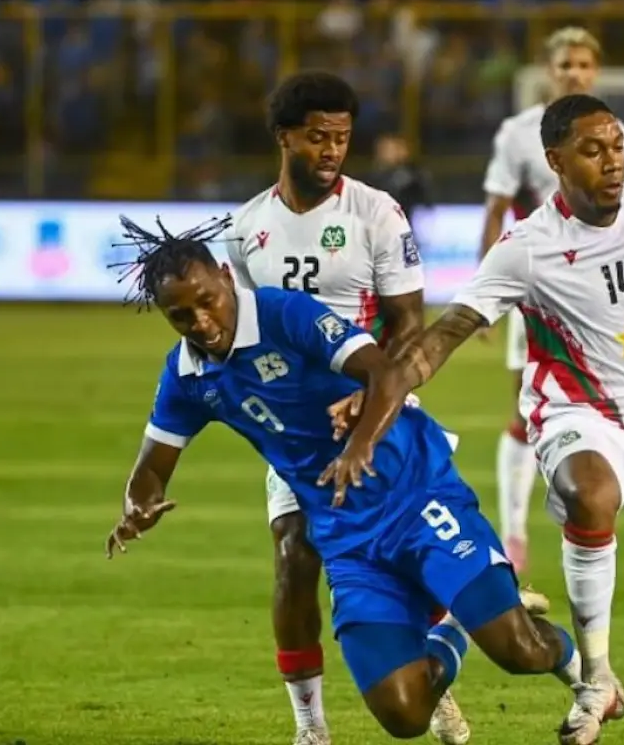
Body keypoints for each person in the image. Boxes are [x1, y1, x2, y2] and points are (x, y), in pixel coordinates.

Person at [334, 94, 624, 745]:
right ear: (556, 162)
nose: (612, 162)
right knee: (591, 494)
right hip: (573, 414)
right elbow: (450, 330)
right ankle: (595, 680)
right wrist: (386, 385)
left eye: (618, 145)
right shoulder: (528, 247)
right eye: (593, 151)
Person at [103, 217, 584, 742]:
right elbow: (152, 466)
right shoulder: (186, 376)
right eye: (180, 315)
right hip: (345, 534)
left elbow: (384, 374)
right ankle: (451, 632)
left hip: (414, 492)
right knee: (404, 716)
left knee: (521, 652)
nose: (199, 321)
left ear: (225, 275)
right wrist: (138, 505)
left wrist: (359, 446)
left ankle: (591, 679)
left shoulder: (284, 314)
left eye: (206, 301)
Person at [225, 70, 528, 745]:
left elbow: (407, 322)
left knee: (393, 551)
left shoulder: (377, 214)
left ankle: (439, 648)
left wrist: (370, 392)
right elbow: (242, 337)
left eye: (342, 137)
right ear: (284, 138)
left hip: (377, 409)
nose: (332, 150)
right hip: (297, 430)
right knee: (294, 557)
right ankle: (311, 728)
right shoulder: (246, 230)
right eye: (317, 137)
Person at [479, 27, 624, 574]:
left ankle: (599, 508)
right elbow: (497, 209)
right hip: (541, 291)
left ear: (596, 72)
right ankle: (515, 535)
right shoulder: (518, 134)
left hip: (599, 295)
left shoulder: (615, 132)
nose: (575, 73)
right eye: (566, 64)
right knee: (525, 409)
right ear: (550, 70)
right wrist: (488, 291)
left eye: (585, 65)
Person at [369, 134, 433, 224]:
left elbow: (424, 202)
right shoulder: (373, 177)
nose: (383, 153)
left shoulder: (413, 176)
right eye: (381, 149)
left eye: (388, 149)